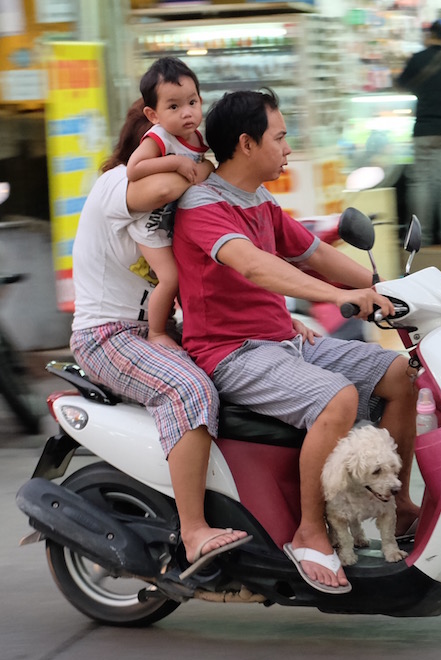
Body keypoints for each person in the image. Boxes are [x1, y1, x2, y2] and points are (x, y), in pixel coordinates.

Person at [172, 89, 420, 594]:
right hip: (231, 352)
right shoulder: (202, 206)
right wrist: (344, 295)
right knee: (338, 397)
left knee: (399, 374)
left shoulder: (260, 200)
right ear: (246, 144)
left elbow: (316, 254)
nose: (288, 148)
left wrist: (391, 291)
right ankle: (310, 532)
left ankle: (398, 503)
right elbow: (254, 266)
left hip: (284, 341)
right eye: (280, 137)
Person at [68, 91, 249, 578]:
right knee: (189, 389)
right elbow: (161, 186)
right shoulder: (116, 187)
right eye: (180, 124)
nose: (195, 141)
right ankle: (193, 529)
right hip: (107, 335)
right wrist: (191, 163)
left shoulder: (175, 202)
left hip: (154, 328)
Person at [125, 56, 211, 349]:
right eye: (173, 107)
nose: (186, 113)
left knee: (192, 276)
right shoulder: (159, 138)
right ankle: (157, 332)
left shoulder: (197, 138)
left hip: (171, 225)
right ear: (153, 114)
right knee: (171, 278)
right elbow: (133, 170)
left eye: (192, 102)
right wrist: (172, 162)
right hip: (149, 227)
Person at [397, 20, 441, 247]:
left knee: (421, 183)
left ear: (428, 35)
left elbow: (400, 84)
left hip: (423, 128)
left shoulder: (417, 58)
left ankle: (422, 237)